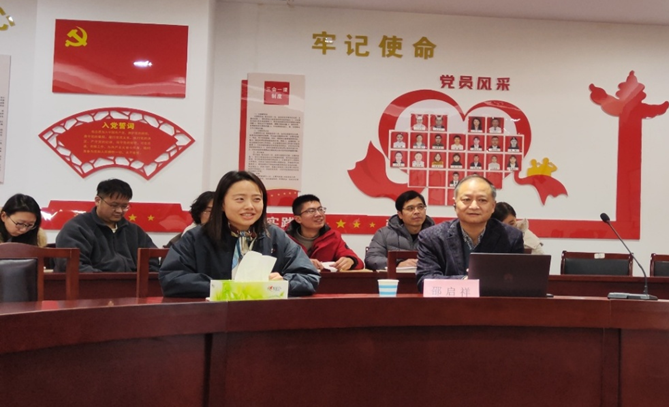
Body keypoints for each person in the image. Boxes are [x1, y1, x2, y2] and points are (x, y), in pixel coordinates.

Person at [159, 171, 319, 298]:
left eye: (257, 199)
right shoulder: (197, 237)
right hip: (211, 317)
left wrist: (284, 282)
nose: (250, 206)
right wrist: (224, 287)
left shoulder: (274, 236)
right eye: (240, 199)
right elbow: (171, 278)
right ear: (222, 204)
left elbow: (309, 276)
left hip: (264, 316)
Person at [415, 175, 524, 291]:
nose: (474, 206)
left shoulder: (511, 237)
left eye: (482, 200)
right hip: (448, 302)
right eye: (467, 200)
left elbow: (516, 281)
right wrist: (465, 282)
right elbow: (425, 280)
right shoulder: (431, 237)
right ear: (455, 204)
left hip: (493, 302)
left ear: (493, 206)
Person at [55, 179, 157, 272]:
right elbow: (72, 265)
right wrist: (106, 280)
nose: (119, 211)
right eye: (114, 205)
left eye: (124, 206)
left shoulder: (134, 231)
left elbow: (152, 260)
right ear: (98, 201)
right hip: (92, 284)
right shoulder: (77, 228)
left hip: (132, 284)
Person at [285, 194, 363, 271]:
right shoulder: (284, 239)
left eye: (320, 209)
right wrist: (302, 262)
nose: (319, 214)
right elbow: (279, 264)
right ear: (298, 219)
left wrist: (351, 261)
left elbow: (359, 262)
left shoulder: (333, 237)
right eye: (311, 211)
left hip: (325, 279)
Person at [365, 191, 435, 270]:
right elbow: (371, 259)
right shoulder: (383, 234)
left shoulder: (436, 234)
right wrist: (397, 264)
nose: (417, 212)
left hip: (427, 276)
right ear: (400, 214)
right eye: (410, 208)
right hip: (394, 277)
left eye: (420, 207)